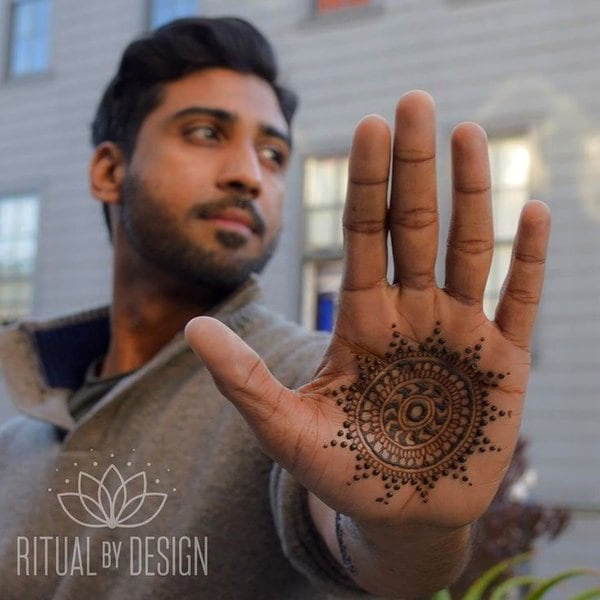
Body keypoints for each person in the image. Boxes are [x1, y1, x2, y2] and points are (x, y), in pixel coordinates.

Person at [0, 16, 551, 600]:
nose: (250, 175)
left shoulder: (305, 385)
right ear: (109, 171)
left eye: (273, 153)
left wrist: (404, 526)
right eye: (206, 133)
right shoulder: (20, 436)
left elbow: (374, 545)